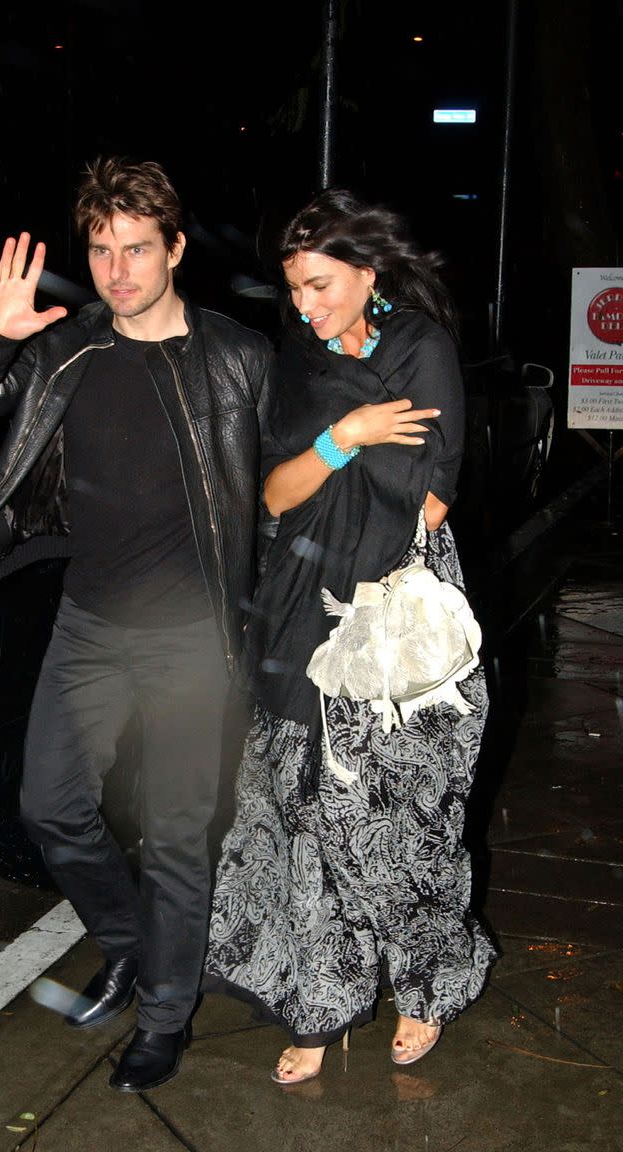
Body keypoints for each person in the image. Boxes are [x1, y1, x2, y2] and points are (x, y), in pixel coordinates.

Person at [0, 155, 274, 1092]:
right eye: (100, 251)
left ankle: (166, 1015)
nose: (119, 270)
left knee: (175, 833)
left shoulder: (238, 359)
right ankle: (128, 941)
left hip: (191, 644)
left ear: (174, 247)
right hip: (90, 624)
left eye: (137, 248)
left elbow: (277, 496)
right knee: (49, 807)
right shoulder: (65, 348)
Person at [204, 188, 497, 1084]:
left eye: (322, 285)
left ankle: (424, 984)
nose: (306, 306)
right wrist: (348, 435)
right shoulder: (293, 366)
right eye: (295, 288)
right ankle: (318, 1001)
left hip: (390, 613)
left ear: (368, 274)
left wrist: (357, 523)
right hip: (296, 605)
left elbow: (435, 494)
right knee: (300, 815)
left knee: (398, 818)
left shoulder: (420, 347)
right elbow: (273, 493)